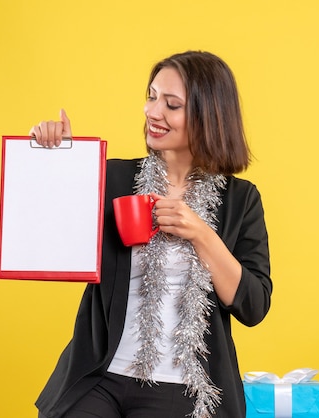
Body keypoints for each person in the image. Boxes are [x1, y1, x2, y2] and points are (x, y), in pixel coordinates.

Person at [29, 51, 272, 418]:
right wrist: (59, 159)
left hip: (182, 387)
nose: (152, 112)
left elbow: (254, 306)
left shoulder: (240, 200)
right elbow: (50, 237)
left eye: (171, 105)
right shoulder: (112, 179)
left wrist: (201, 234)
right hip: (99, 376)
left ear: (210, 117)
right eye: (151, 96)